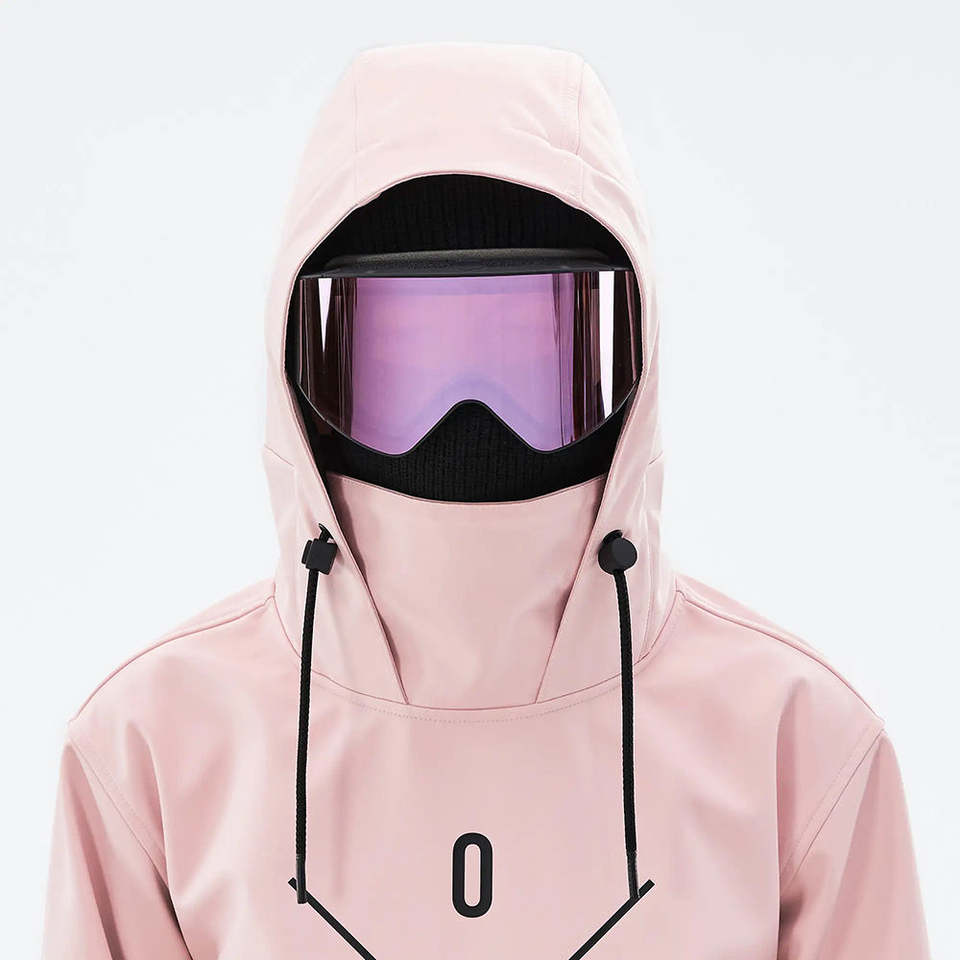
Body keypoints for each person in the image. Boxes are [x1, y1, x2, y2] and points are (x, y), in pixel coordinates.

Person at [41, 44, 930, 959]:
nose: (469, 421)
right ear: (302, 366)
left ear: (632, 359)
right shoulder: (152, 753)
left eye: (531, 357)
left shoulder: (797, 748)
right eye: (404, 362)